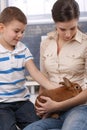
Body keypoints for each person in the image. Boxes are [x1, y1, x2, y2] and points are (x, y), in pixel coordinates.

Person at [23, 0, 87, 130]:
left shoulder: (85, 44)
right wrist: (42, 108)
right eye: (62, 29)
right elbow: (44, 80)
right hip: (53, 112)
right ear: (55, 22)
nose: (68, 34)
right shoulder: (46, 44)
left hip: (79, 108)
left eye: (73, 28)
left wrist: (57, 106)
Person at [0, 6, 59, 130]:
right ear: (1, 28)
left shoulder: (23, 49)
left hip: (22, 102)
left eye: (22, 31)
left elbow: (35, 72)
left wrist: (54, 88)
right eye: (16, 31)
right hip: (2, 105)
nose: (20, 35)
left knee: (37, 126)